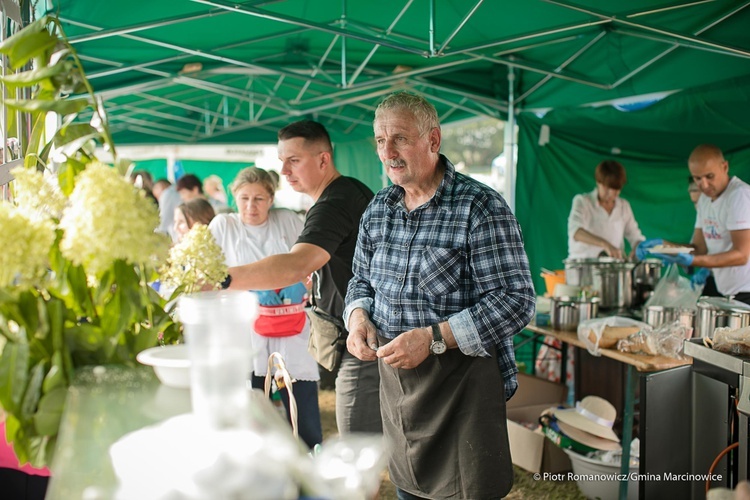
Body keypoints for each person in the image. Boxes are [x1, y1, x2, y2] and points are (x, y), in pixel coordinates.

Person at [344, 91, 535, 499]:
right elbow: (360, 278)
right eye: (380, 140)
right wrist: (357, 317)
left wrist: (432, 339)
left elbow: (516, 300)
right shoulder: (378, 209)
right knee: (407, 489)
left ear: (433, 140)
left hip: (460, 391)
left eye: (399, 138)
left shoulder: (480, 207)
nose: (387, 152)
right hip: (398, 389)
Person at [221, 120, 380, 435]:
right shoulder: (346, 191)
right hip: (358, 333)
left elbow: (294, 265)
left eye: (293, 160)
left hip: (363, 339)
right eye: (282, 162)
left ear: (323, 159)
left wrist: (222, 279)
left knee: (356, 444)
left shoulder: (334, 203)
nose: (284, 171)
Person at [208, 167, 322, 449]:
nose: (251, 206)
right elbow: (207, 275)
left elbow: (309, 264)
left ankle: (308, 462)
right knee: (250, 405)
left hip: (290, 325)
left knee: (299, 401)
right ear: (235, 197)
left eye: (258, 199)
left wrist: (299, 285)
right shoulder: (224, 226)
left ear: (271, 199)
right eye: (244, 198)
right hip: (243, 330)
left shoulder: (287, 221)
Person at [640, 144, 750, 304]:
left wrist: (694, 261)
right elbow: (699, 248)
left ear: (725, 167)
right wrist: (666, 247)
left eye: (709, 176)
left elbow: (742, 255)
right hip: (727, 292)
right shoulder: (705, 200)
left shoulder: (739, 196)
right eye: (697, 178)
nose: (704, 185)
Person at [567, 160, 646, 260]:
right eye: (607, 188)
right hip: (582, 266)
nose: (611, 194)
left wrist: (637, 247)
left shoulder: (623, 206)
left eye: (616, 190)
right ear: (598, 182)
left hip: (613, 268)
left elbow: (635, 236)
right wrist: (605, 244)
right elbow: (576, 232)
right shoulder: (582, 202)